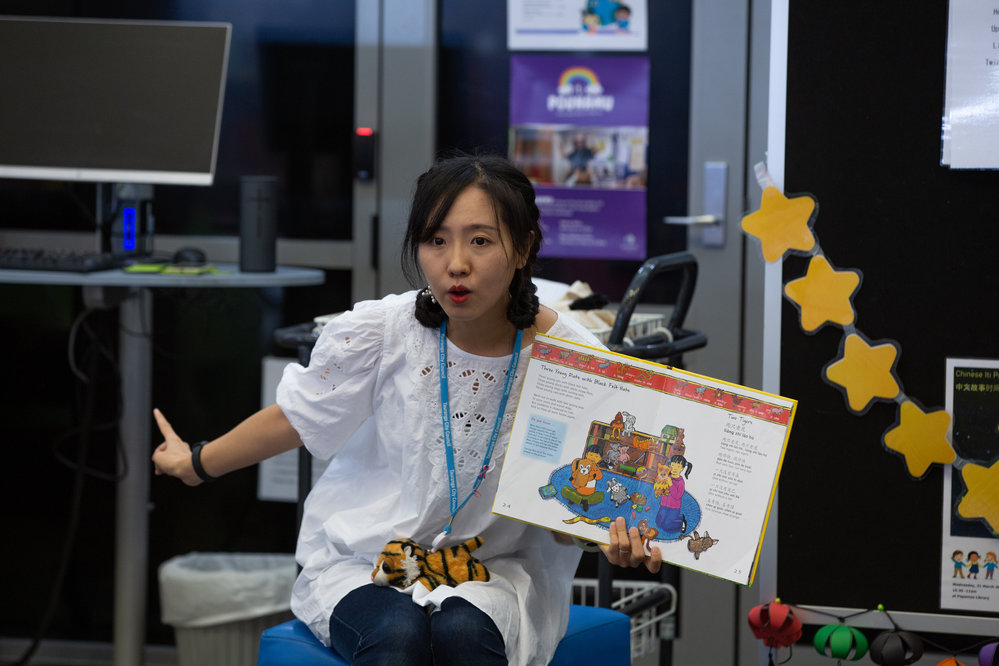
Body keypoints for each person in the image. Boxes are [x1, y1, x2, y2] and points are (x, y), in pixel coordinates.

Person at [151, 153, 662, 666]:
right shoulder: (386, 330)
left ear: (524, 247)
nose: (455, 263)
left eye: (480, 241)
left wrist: (605, 534)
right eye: (436, 240)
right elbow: (297, 417)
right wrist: (195, 463)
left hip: (495, 572)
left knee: (463, 634)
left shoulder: (575, 361)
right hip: (367, 559)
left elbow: (569, 501)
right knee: (396, 635)